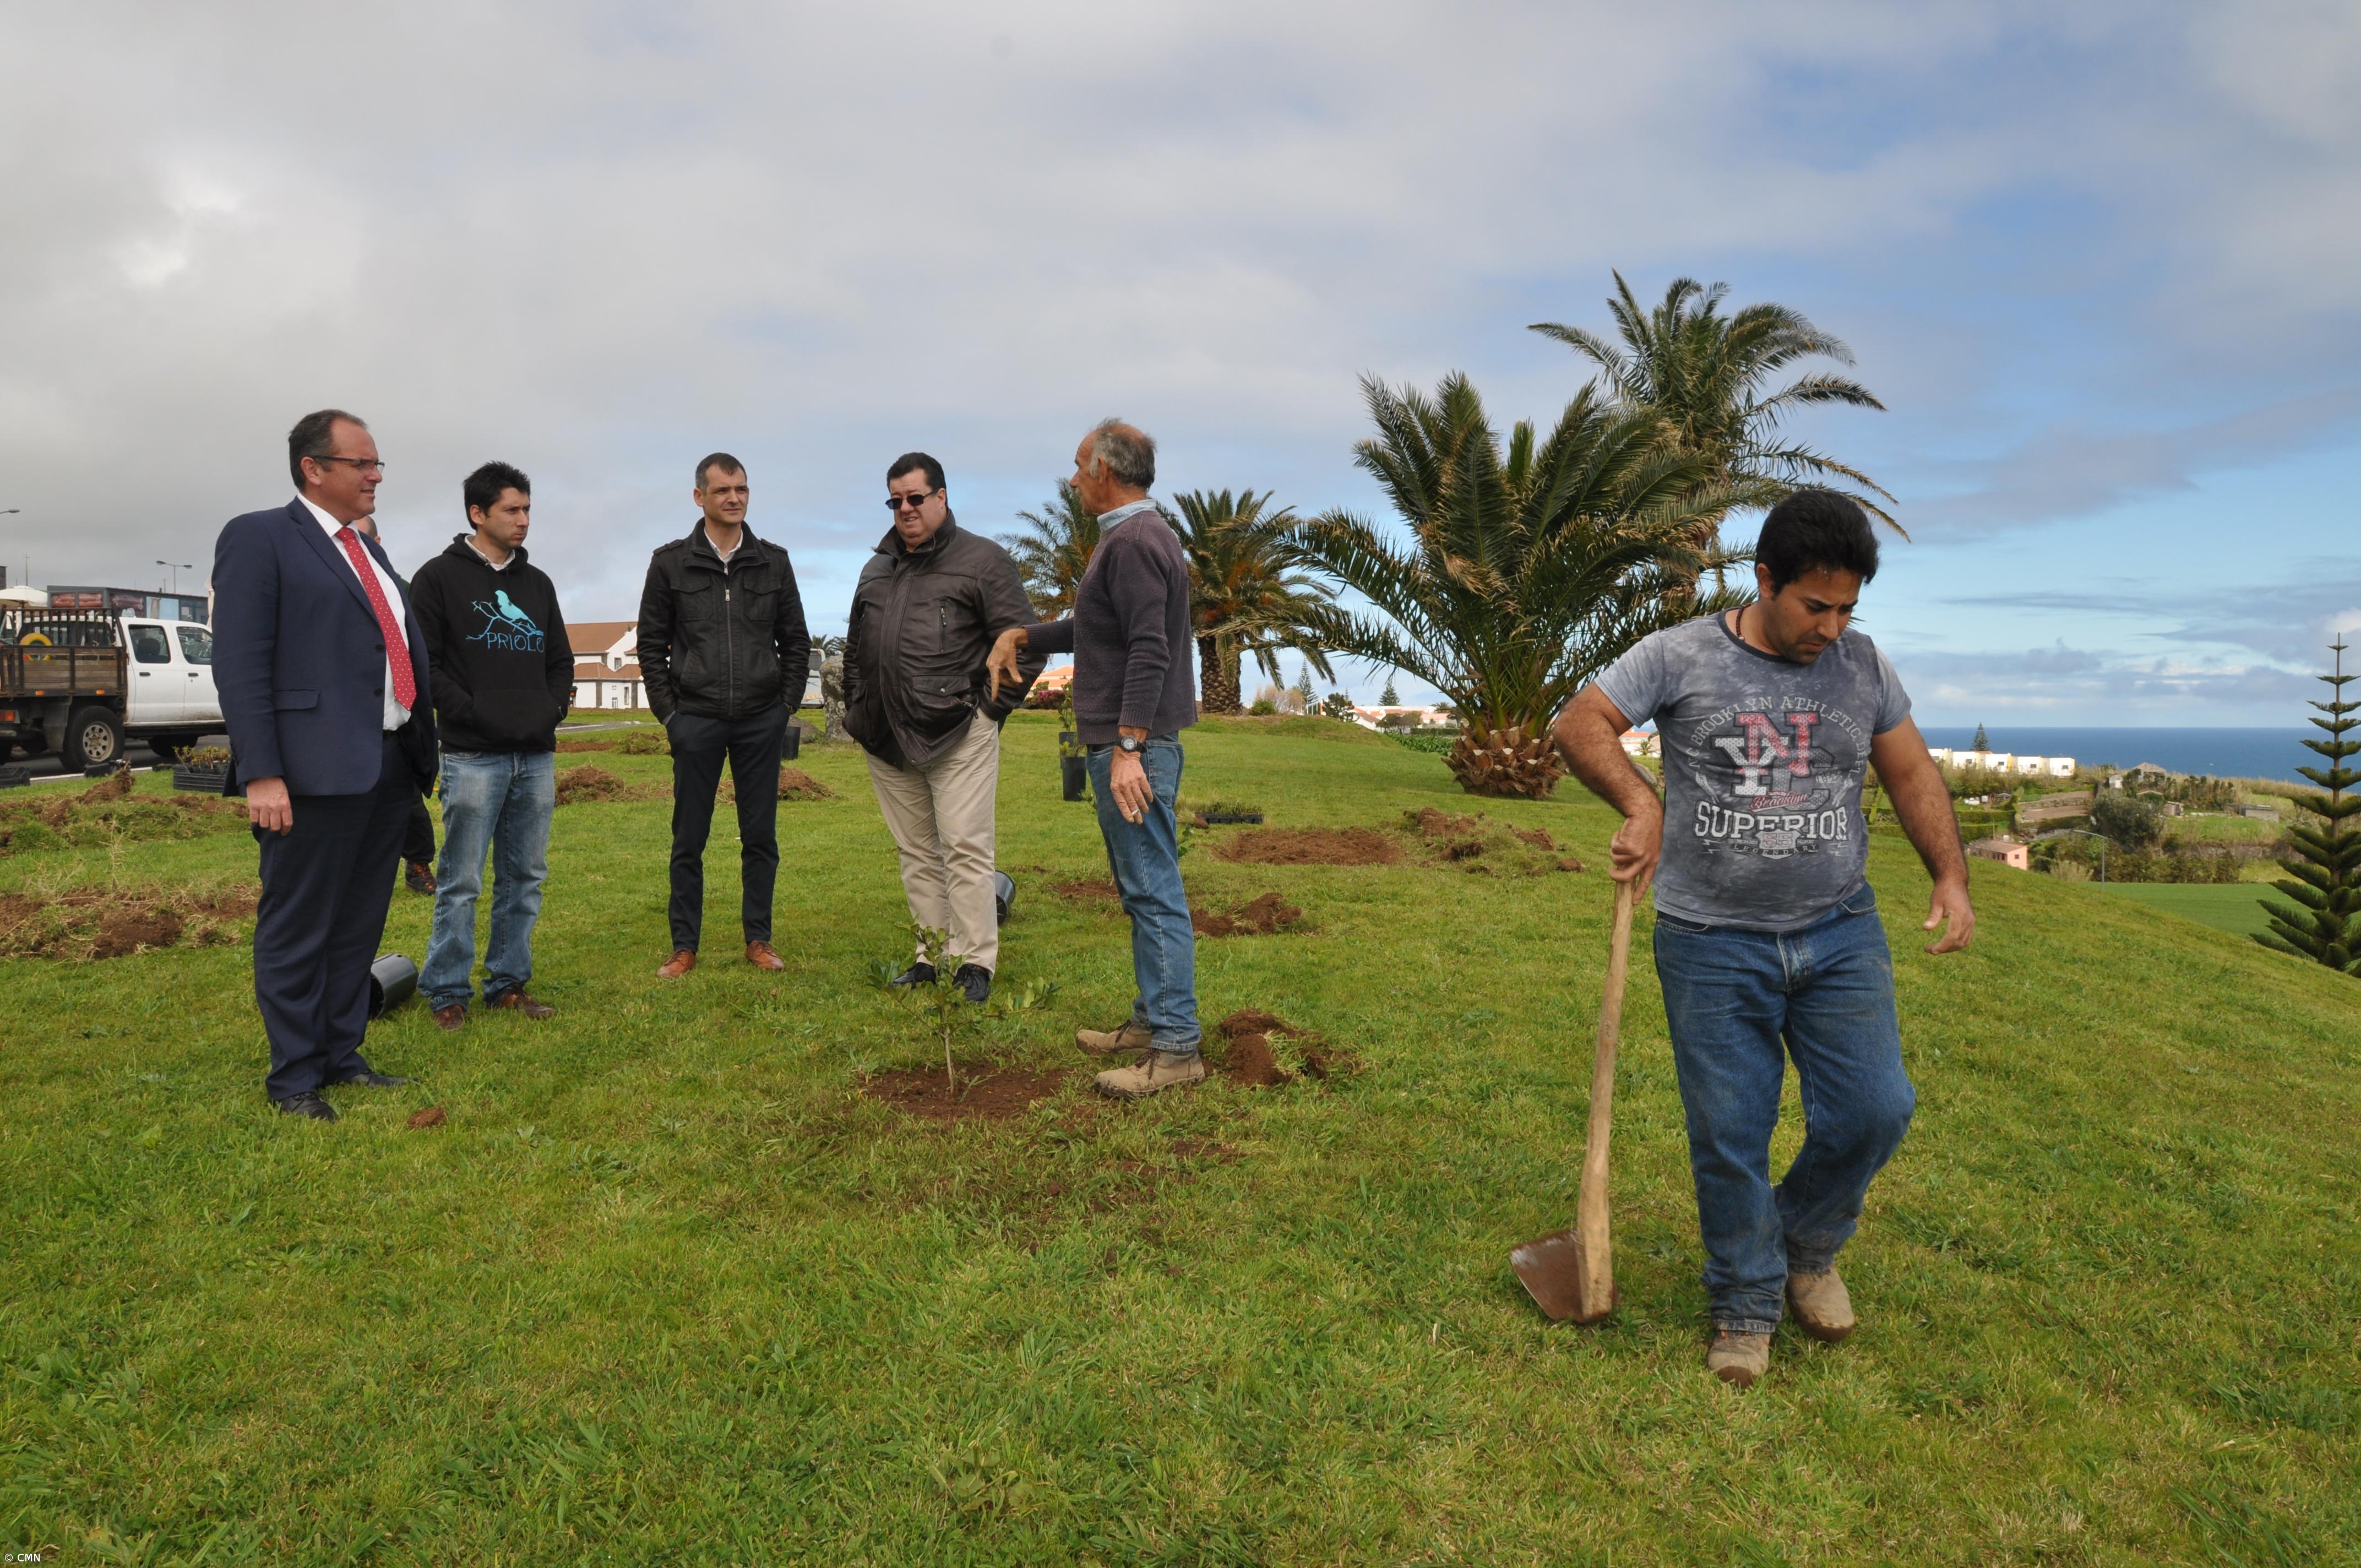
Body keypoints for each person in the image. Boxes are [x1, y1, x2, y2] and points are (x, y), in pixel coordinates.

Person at [1552, 488, 1974, 1389]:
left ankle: (1805, 1247)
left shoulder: (1862, 666)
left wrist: (1950, 873)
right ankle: (1745, 1300)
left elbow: (1908, 768)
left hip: (1837, 929)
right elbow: (1578, 722)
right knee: (1730, 1130)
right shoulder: (1679, 654)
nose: (1831, 626)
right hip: (1709, 939)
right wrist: (1639, 803)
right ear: (1765, 579)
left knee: (1875, 1107)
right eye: (1814, 605)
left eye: (1847, 608)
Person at [211, 410, 438, 1121]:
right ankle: (294, 1078)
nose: (376, 477)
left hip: (386, 765)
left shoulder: (369, 552)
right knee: (298, 927)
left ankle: (342, 1055)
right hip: (308, 773)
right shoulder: (261, 537)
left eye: (377, 466)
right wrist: (262, 771)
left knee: (357, 924)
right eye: (362, 464)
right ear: (314, 468)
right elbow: (241, 665)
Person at [987, 420, 1201, 1098]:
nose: (1073, 479)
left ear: (1105, 470)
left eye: (1080, 467)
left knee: (1153, 891)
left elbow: (1148, 647)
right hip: (1128, 741)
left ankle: (1175, 1052)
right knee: (1141, 887)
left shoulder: (1134, 542)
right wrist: (1025, 634)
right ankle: (1150, 1024)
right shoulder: (1134, 538)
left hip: (1133, 746)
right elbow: (1095, 628)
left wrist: (1130, 746)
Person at [844, 453, 1045, 1004]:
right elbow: (858, 646)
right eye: (895, 501)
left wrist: (988, 713)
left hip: (959, 732)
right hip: (886, 737)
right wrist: (858, 704)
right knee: (916, 852)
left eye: (914, 498)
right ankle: (930, 956)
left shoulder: (984, 561)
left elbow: (1026, 648)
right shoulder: (875, 568)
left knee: (964, 846)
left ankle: (974, 961)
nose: (904, 509)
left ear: (941, 497)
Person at [409, 461, 575, 1030]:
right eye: (512, 509)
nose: (524, 519)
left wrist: (551, 709)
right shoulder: (437, 579)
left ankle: (507, 983)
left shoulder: (539, 584)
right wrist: (474, 713)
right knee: (461, 879)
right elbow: (423, 666)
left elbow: (560, 660)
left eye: (527, 508)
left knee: (525, 876)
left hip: (535, 755)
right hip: (472, 755)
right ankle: (446, 990)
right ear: (478, 513)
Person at [635, 453, 809, 977]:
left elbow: (796, 641)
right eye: (722, 491)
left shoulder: (773, 562)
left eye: (742, 489)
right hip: (697, 720)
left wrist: (783, 708)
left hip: (761, 719)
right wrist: (672, 715)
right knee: (689, 838)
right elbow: (651, 645)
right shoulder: (670, 563)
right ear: (699, 498)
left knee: (761, 838)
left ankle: (759, 939)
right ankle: (684, 946)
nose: (734, 498)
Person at [352, 515, 438, 895]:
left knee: (409, 805)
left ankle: (418, 864)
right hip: (350, 722)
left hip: (399, 722)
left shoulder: (397, 586)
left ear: (377, 541)